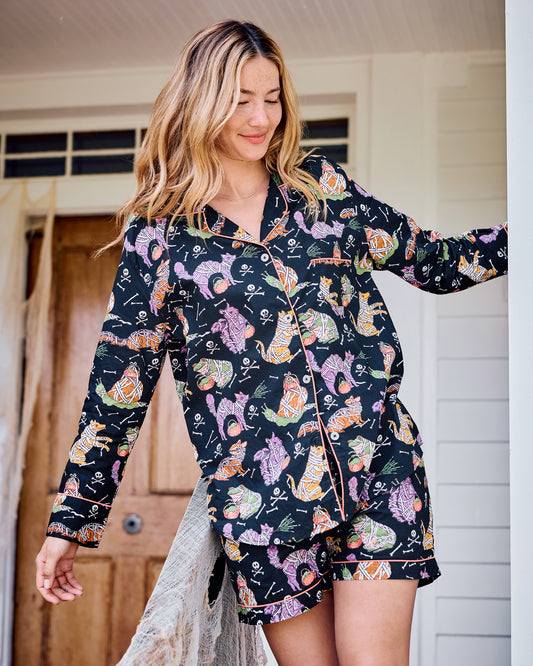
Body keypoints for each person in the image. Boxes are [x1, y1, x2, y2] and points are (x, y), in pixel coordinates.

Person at [35, 19, 508, 666]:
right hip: (263, 504)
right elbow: (117, 393)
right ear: (201, 102)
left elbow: (434, 262)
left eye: (272, 97)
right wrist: (70, 523)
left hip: (377, 466)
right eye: (240, 100)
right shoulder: (160, 238)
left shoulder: (322, 191)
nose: (261, 118)